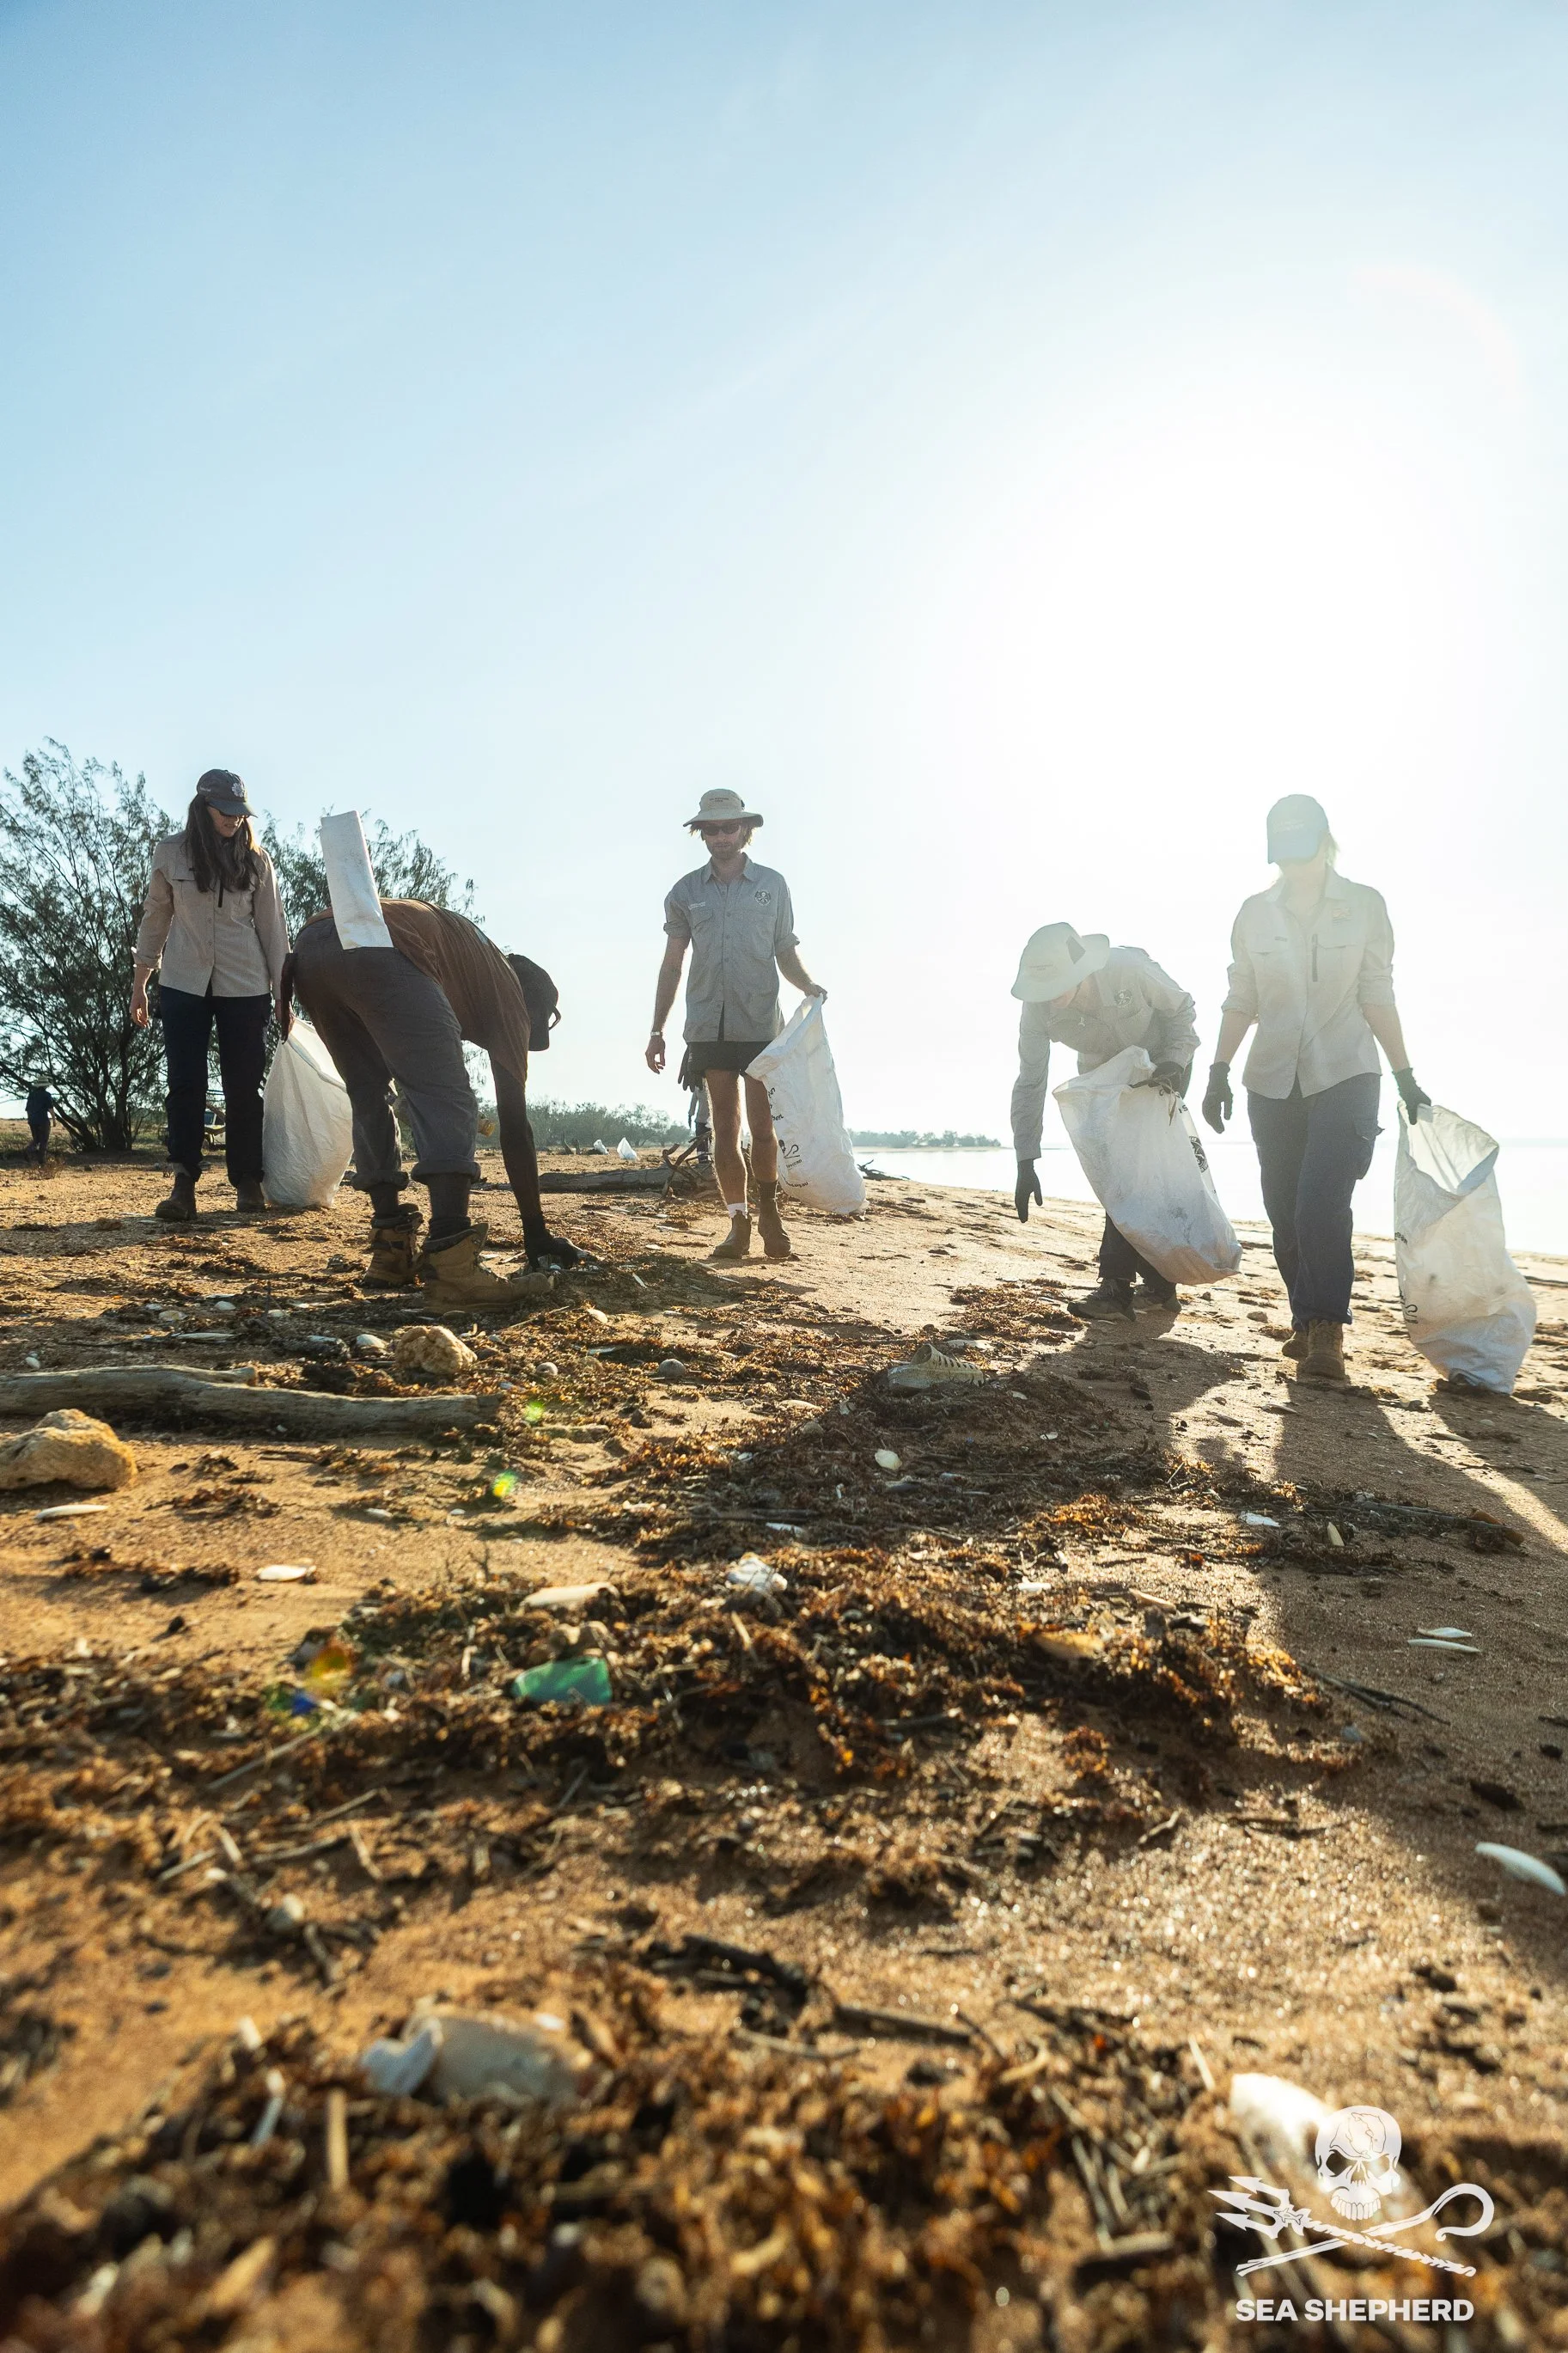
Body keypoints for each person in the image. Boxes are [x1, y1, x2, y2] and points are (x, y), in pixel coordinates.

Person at [1202, 794, 1429, 1384]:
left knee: (1319, 1204)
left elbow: (1377, 992)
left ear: (1323, 838)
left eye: (1302, 833)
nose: (1291, 846)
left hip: (1347, 1073)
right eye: (1281, 835)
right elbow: (1241, 997)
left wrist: (1404, 1075)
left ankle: (1326, 1330)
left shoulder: (1362, 905)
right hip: (1271, 1078)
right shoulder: (1253, 913)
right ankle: (1304, 1319)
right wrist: (1218, 1069)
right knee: (1283, 1211)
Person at [288, 898, 578, 1306]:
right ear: (536, 1007)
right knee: (447, 1097)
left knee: (367, 1092)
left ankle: (391, 1253)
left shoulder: (472, 960)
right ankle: (453, 1263)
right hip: (383, 946)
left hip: (312, 946)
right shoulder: (511, 993)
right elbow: (514, 1127)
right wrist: (536, 1233)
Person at [646, 787, 826, 1262]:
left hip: (761, 1022)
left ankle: (771, 1211)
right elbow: (671, 965)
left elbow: (785, 949)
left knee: (763, 1129)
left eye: (729, 827)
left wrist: (808, 985)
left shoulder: (773, 885)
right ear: (700, 833)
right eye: (711, 828)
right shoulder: (685, 893)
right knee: (724, 1128)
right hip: (707, 1025)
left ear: (746, 830)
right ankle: (737, 1221)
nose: (721, 836)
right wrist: (657, 1029)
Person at [1011, 923, 1200, 1319]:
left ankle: (1116, 1287)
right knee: (1119, 1174)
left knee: (1140, 1171)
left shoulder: (1130, 968)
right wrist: (1025, 1158)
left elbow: (1182, 1009)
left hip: (1162, 1064)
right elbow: (1031, 1079)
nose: (1049, 996)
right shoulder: (1037, 1007)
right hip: (1103, 1076)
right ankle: (1161, 1284)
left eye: (1058, 983)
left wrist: (1174, 1061)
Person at [131, 770, 290, 1223]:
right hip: (183, 982)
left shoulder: (258, 861)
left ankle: (248, 1183)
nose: (235, 821)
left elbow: (273, 929)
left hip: (246, 986)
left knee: (244, 1087)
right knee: (186, 1084)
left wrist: (283, 994)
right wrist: (140, 981)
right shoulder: (170, 853)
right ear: (203, 807)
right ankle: (184, 1184)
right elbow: (156, 917)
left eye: (242, 813)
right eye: (226, 811)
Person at [24, 1083, 54, 1164]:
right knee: (44, 1141)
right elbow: (50, 1108)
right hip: (43, 1120)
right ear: (45, 1085)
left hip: (32, 1121)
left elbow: (28, 1109)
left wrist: (30, 1119)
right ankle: (42, 1161)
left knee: (36, 1140)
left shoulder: (32, 1095)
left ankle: (28, 1150)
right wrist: (54, 1120)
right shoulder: (47, 1095)